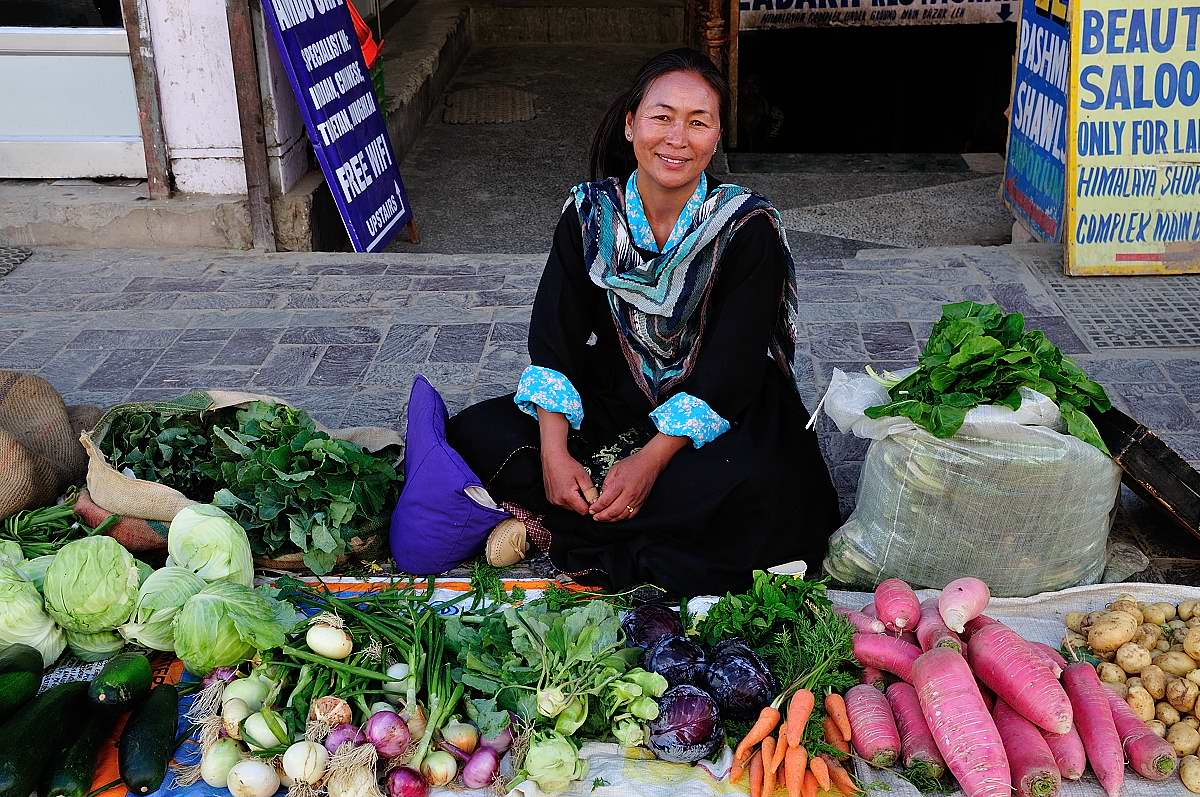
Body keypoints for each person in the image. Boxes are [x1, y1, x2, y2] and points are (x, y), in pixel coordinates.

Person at [448, 48, 839, 596]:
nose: (677, 138)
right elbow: (556, 338)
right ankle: (583, 512)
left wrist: (650, 461)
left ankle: (552, 526)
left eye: (698, 122)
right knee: (478, 433)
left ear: (716, 136)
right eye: (662, 117)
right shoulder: (590, 215)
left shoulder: (746, 228)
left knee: (771, 497)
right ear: (631, 125)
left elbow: (733, 365)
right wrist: (556, 456)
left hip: (720, 405)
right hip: (618, 393)